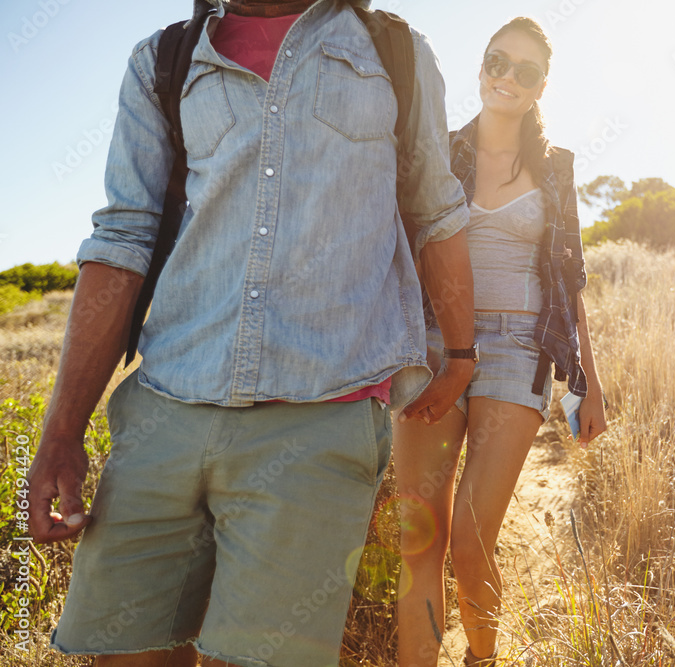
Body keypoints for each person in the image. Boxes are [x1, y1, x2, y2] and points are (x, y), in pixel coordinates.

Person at [26, 1, 475, 665]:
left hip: (320, 417)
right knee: (126, 655)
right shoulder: (164, 61)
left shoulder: (395, 54)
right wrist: (62, 431)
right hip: (164, 415)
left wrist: (462, 354)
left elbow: (437, 209)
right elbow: (122, 236)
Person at [394, 17, 607, 667]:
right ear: (481, 67)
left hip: (520, 349)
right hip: (435, 345)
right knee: (417, 540)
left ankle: (482, 659)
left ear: (543, 87)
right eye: (497, 61)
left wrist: (588, 381)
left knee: (471, 539)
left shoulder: (556, 169)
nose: (508, 77)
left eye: (527, 70)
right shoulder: (440, 149)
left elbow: (568, 278)